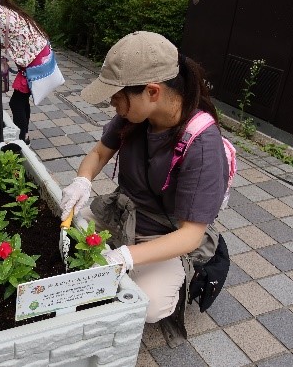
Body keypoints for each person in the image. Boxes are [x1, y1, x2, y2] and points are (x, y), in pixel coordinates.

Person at [60, 31, 229, 333]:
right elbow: (100, 153)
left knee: (149, 305)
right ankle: (123, 254)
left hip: (166, 234)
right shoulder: (134, 117)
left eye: (117, 95)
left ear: (153, 92)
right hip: (123, 213)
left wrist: (126, 256)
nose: (112, 102)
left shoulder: (202, 146)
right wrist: (82, 181)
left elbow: (190, 234)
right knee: (66, 230)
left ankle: (176, 280)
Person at [0, 0, 50, 144]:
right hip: (40, 54)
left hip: (35, 60)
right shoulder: (9, 11)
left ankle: (22, 138)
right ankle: (25, 133)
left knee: (16, 102)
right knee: (22, 98)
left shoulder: (0, 14)